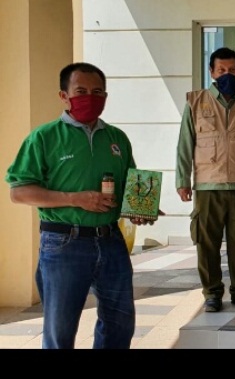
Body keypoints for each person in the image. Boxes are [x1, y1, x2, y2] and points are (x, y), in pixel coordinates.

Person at [5, 62, 161, 349]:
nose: (90, 97)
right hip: (63, 243)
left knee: (120, 322)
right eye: (81, 91)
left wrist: (139, 208)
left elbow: (130, 185)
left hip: (111, 239)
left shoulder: (116, 138)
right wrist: (74, 199)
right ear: (64, 95)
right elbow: (19, 192)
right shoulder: (44, 137)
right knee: (60, 330)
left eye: (98, 91)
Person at [176, 47, 235, 312]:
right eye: (221, 71)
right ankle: (212, 294)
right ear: (212, 72)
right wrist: (182, 179)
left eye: (232, 70)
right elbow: (184, 144)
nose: (227, 75)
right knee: (207, 244)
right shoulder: (195, 102)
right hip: (207, 186)